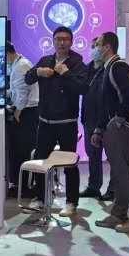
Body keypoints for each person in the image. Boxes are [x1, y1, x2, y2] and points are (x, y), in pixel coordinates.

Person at [89, 32, 129, 233]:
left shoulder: (118, 66)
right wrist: (99, 129)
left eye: (97, 44)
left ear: (107, 47)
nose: (95, 48)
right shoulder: (108, 67)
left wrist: (118, 119)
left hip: (121, 128)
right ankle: (119, 213)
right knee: (119, 170)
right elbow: (106, 104)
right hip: (115, 127)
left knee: (122, 172)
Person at [24, 27, 86, 218]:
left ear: (71, 42)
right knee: (41, 161)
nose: (61, 42)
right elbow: (27, 79)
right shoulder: (45, 61)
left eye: (65, 39)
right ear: (53, 41)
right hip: (45, 122)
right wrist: (37, 72)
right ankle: (41, 198)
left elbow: (83, 88)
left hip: (67, 122)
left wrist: (66, 73)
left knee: (69, 163)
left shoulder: (78, 63)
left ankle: (71, 202)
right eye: (58, 39)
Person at [6, 43, 39, 197]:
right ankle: (20, 185)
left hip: (27, 112)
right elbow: (16, 89)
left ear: (8, 53)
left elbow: (23, 92)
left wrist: (18, 111)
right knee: (19, 150)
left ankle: (24, 187)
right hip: (25, 110)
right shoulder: (17, 64)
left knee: (23, 151)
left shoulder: (21, 65)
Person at [79, 43, 110, 201]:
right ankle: (93, 187)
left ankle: (113, 190)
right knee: (93, 155)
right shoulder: (87, 68)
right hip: (89, 119)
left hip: (107, 121)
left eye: (97, 45)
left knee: (113, 157)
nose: (94, 49)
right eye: (93, 46)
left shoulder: (110, 68)